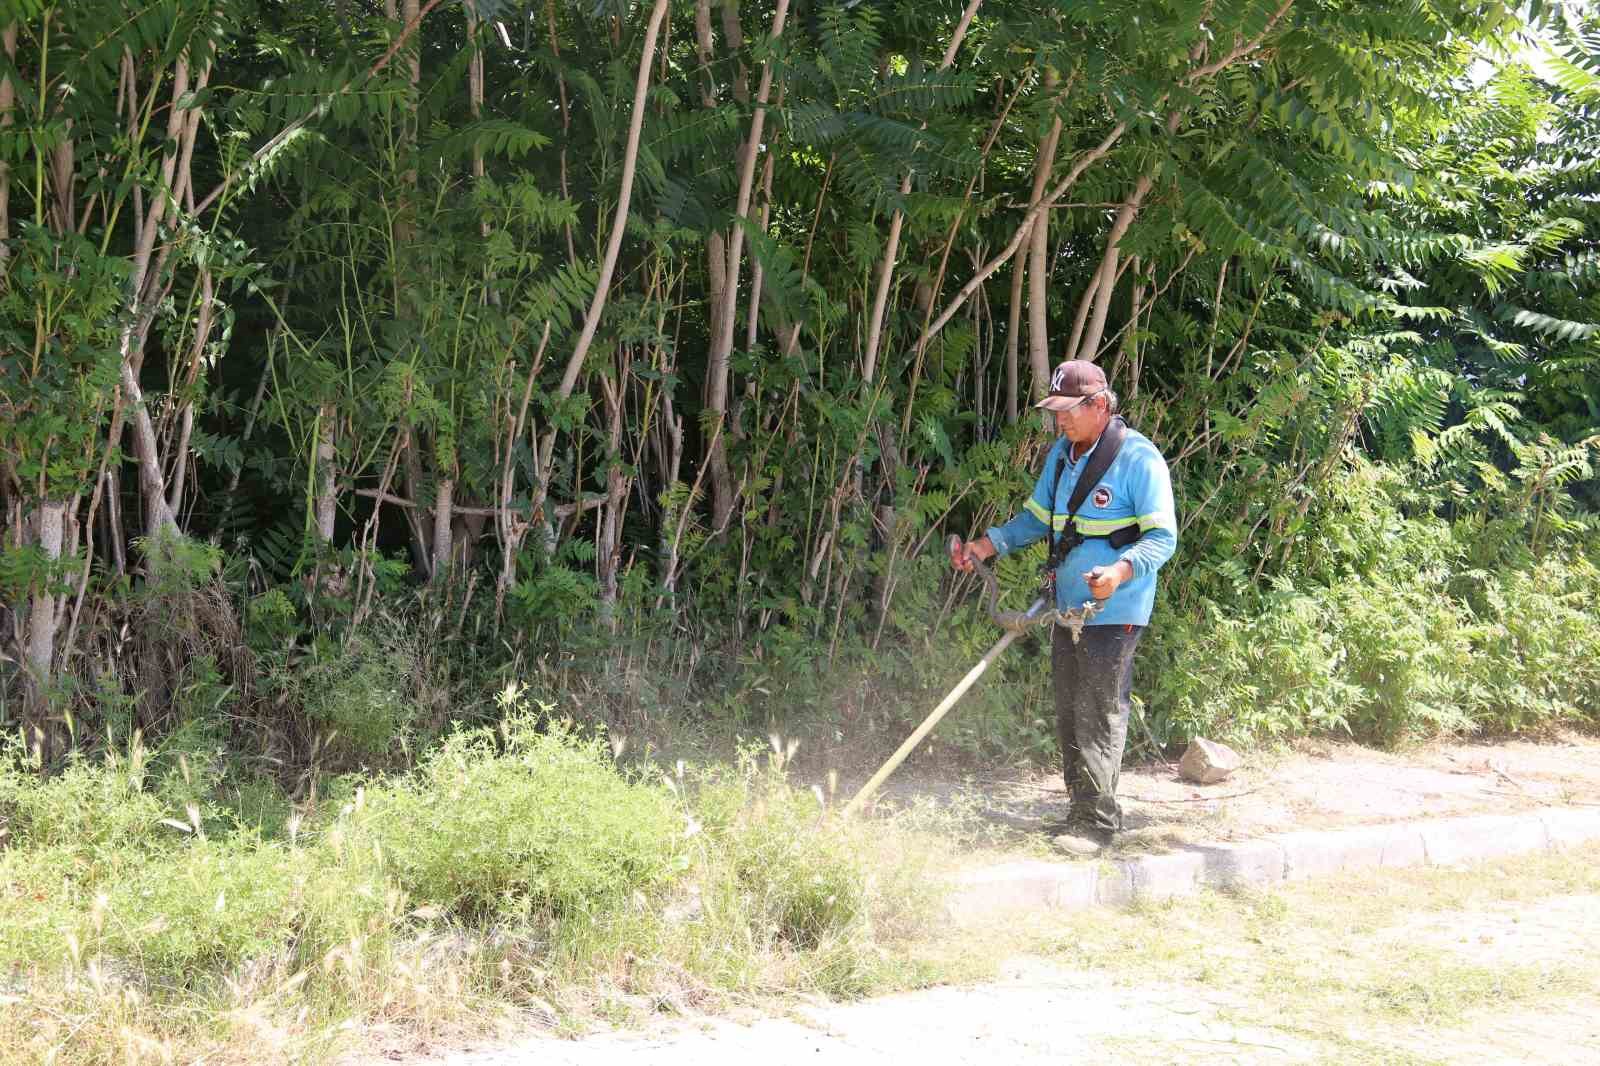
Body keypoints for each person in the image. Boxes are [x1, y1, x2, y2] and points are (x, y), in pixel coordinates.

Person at [950, 360, 1177, 854]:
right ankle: (1078, 812)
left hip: (1114, 609)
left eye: (1069, 411)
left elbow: (1163, 538)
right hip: (1065, 605)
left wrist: (1118, 572)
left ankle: (1098, 824)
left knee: (1098, 710)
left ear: (1100, 405)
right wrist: (987, 546)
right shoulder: (1061, 456)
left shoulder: (1139, 459)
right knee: (1070, 712)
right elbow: (1035, 520)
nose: (1060, 421)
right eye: (1055, 412)